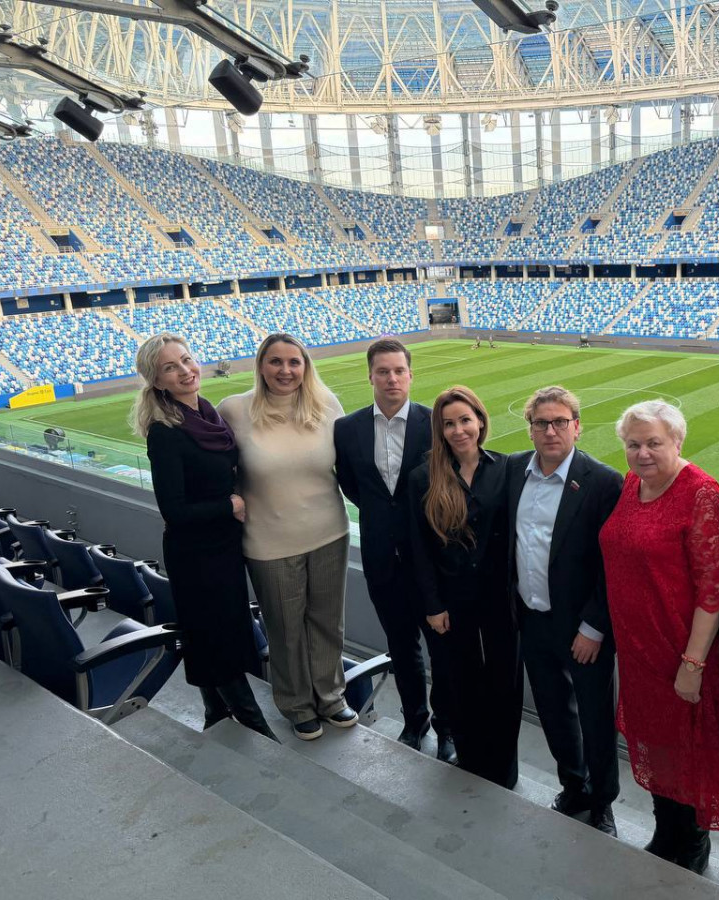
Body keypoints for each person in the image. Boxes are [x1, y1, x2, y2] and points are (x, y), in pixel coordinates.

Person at [598, 400, 719, 874]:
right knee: (658, 748)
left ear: (678, 441)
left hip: (681, 656)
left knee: (686, 753)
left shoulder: (701, 495)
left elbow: (714, 592)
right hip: (639, 655)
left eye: (654, 443)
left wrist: (693, 664)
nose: (642, 453)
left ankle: (690, 847)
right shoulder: (632, 484)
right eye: (633, 444)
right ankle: (666, 835)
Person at [131, 332, 277, 742]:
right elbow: (174, 511)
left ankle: (215, 712)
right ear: (157, 381)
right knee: (219, 635)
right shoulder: (165, 432)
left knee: (211, 632)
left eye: (186, 359)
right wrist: (229, 505)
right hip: (196, 554)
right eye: (170, 367)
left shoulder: (208, 414)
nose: (184, 371)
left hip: (223, 546)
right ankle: (254, 724)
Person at [218, 333, 357, 742]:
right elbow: (212, 465)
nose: (285, 370)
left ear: (305, 366)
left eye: (294, 362)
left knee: (328, 622)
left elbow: (349, 466)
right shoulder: (234, 410)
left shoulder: (326, 403)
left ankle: (330, 696)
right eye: (275, 361)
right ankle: (296, 704)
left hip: (329, 533)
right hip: (269, 542)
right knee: (285, 629)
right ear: (261, 366)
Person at [507, 386, 623, 835]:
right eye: (541, 423)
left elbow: (613, 564)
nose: (550, 431)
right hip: (532, 618)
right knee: (554, 711)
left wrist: (594, 626)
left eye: (560, 422)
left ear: (577, 426)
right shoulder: (514, 470)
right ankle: (574, 786)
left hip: (583, 627)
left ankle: (602, 802)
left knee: (595, 717)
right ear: (530, 429)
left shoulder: (603, 482)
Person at [334, 339, 455, 763]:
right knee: (401, 647)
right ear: (370, 376)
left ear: (410, 375)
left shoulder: (433, 423)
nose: (391, 379)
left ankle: (447, 728)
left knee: (441, 650)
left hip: (431, 562)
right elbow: (353, 486)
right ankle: (414, 720)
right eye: (383, 371)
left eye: (399, 371)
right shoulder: (347, 429)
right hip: (381, 558)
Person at [410, 385, 522, 789]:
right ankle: (473, 761)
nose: (458, 430)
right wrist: (432, 604)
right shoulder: (423, 477)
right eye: (449, 424)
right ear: (439, 431)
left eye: (465, 420)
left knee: (504, 683)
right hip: (451, 601)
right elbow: (419, 549)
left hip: (500, 600)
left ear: (480, 421)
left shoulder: (507, 468)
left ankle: (503, 769)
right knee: (461, 682)